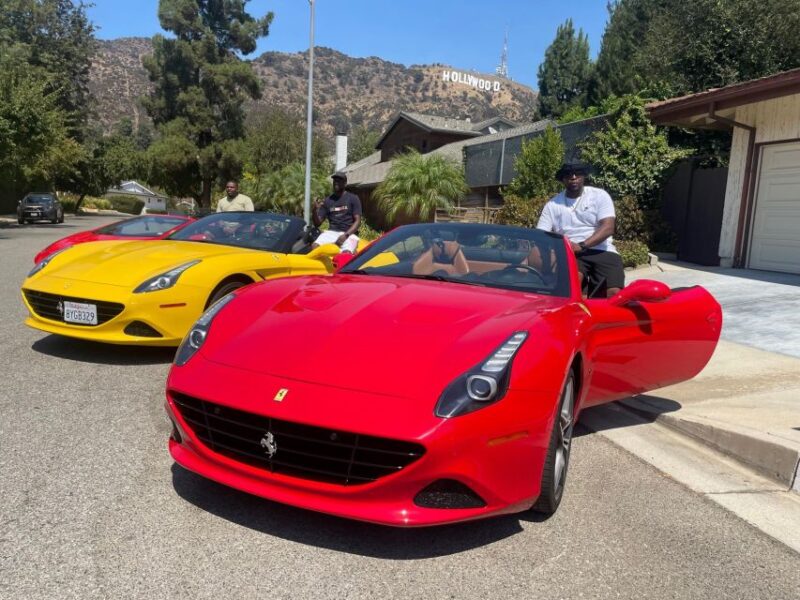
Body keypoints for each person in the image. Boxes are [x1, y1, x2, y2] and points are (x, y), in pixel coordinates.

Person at [536, 161, 624, 298]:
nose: (573, 177)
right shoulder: (552, 204)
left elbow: (608, 227)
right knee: (573, 288)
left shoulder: (599, 195)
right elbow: (541, 234)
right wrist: (557, 250)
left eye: (578, 174)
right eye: (568, 175)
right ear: (563, 180)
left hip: (603, 250)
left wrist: (582, 245)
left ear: (584, 177)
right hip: (571, 252)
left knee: (614, 294)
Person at [312, 172, 362, 254]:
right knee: (315, 246)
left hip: (349, 234)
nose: (336, 182)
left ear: (345, 183)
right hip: (331, 232)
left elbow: (358, 221)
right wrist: (314, 211)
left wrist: (345, 235)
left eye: (339, 180)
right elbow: (317, 224)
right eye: (334, 180)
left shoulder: (353, 198)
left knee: (346, 254)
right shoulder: (328, 201)